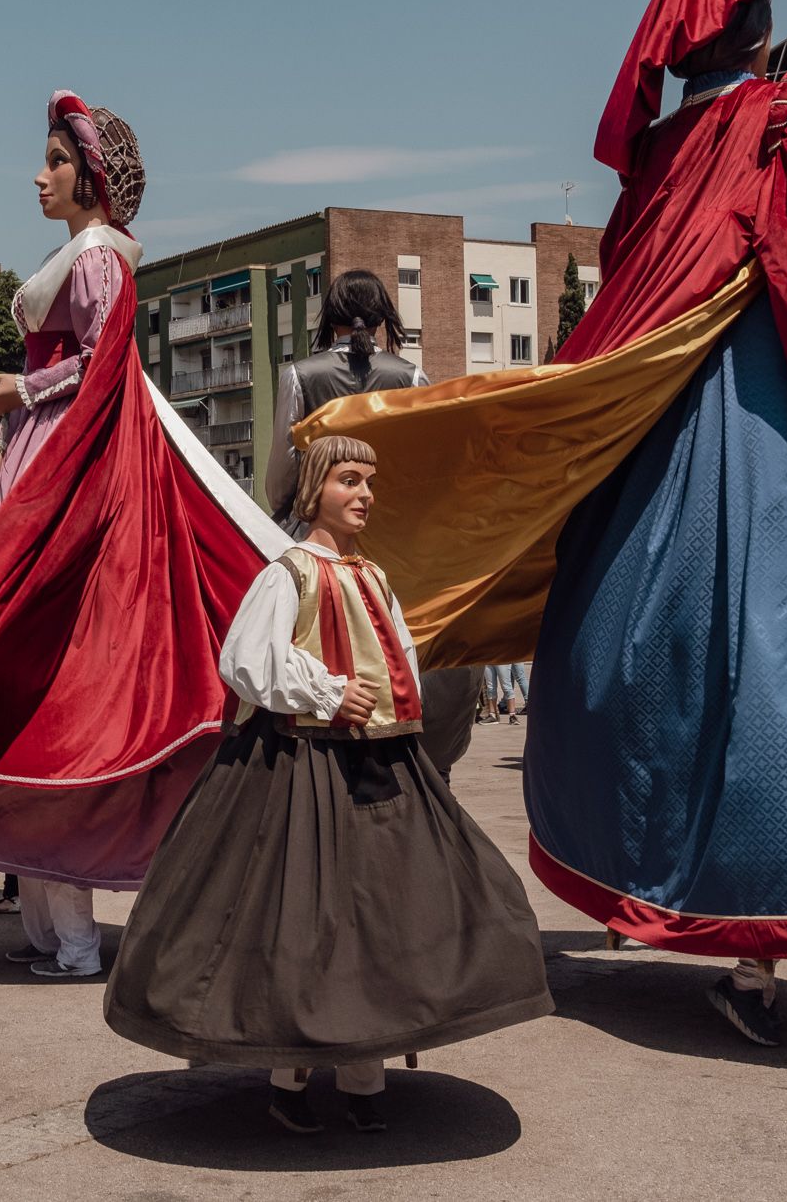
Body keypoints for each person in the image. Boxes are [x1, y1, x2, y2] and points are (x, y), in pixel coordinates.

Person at [296, 0, 787, 1049]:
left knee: (638, 647)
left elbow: (641, 269)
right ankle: (764, 933)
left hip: (645, 419)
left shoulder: (656, 155)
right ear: (754, 31)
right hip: (762, 420)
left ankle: (645, 892)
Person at [0, 91, 286, 980]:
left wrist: (17, 399)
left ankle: (68, 931)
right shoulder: (80, 252)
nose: (40, 174)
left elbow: (107, 357)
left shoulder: (99, 254)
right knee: (26, 663)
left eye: (57, 162)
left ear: (91, 178)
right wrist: (2, 436)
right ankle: (48, 919)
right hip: (47, 444)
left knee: (44, 666)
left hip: (73, 449)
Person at [103, 436, 552, 1134]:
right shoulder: (291, 572)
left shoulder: (373, 575)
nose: (365, 494)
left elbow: (400, 656)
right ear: (315, 490)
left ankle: (364, 1076)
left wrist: (407, 725)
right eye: (350, 480)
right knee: (303, 921)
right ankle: (290, 1077)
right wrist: (325, 690)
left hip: (382, 768)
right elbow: (247, 658)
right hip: (301, 765)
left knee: (384, 918)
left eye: (370, 482)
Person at [262, 269, 483, 778]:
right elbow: (432, 463)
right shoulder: (409, 375)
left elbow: (280, 482)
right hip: (402, 538)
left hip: (323, 537)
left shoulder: (300, 374)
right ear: (385, 316)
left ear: (330, 317)